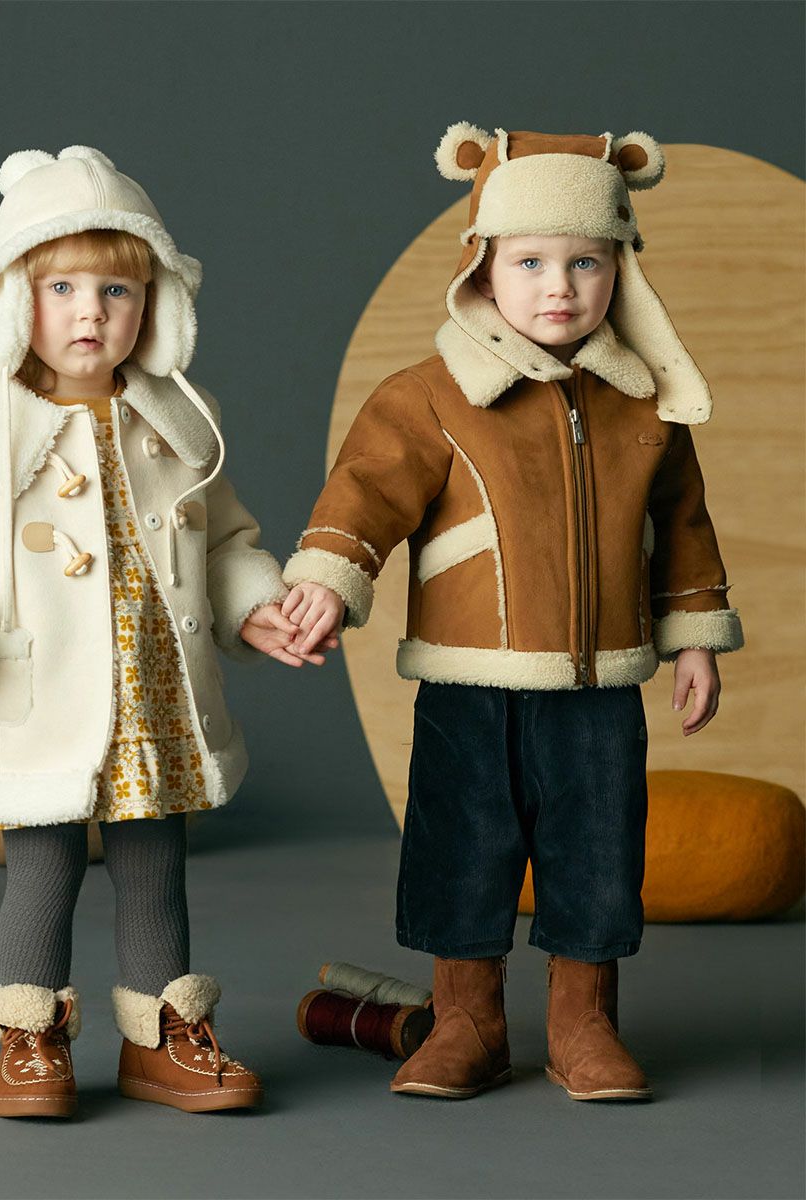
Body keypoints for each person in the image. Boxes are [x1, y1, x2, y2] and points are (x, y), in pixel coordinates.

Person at [280, 126, 744, 1102]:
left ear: (620, 270)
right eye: (530, 262)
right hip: (469, 678)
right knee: (463, 845)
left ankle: (584, 1025)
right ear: (482, 266)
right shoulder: (428, 397)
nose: (558, 287)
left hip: (599, 681)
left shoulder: (645, 406)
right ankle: (466, 1023)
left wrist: (696, 640)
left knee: (597, 851)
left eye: (586, 262)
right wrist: (328, 578)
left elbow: (681, 528)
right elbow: (365, 493)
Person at [0, 145, 334, 1118]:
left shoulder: (178, 420)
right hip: (41, 694)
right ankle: (30, 1034)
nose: (92, 313)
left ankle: (162, 1038)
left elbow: (223, 538)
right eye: (63, 289)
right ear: (13, 301)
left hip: (152, 690)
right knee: (42, 869)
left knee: (154, 867)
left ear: (154, 305)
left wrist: (255, 606)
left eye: (117, 290)